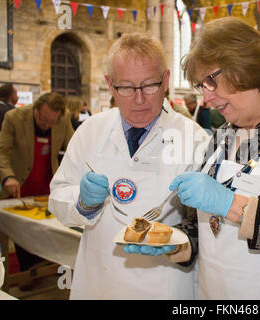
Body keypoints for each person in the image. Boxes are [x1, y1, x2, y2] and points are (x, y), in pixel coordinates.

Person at [129, 17, 260, 300]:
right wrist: (174, 243)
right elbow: (205, 228)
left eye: (211, 80)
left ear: (244, 67)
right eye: (200, 85)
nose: (206, 97)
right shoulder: (221, 138)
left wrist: (233, 205)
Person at [48, 32, 208, 299]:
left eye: (149, 86)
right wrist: (82, 203)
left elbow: (207, 228)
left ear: (166, 80)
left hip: (164, 284)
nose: (139, 99)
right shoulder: (91, 131)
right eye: (126, 87)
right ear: (110, 85)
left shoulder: (194, 139)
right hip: (100, 279)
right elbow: (57, 198)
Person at [0, 92, 74, 280]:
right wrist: (8, 177)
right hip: (18, 185)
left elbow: (74, 148)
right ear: (35, 110)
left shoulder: (63, 119)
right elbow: (1, 152)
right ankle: (26, 274)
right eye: (43, 119)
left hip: (45, 185)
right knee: (22, 233)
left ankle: (41, 271)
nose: (46, 125)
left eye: (51, 122)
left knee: (49, 231)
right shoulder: (14, 118)